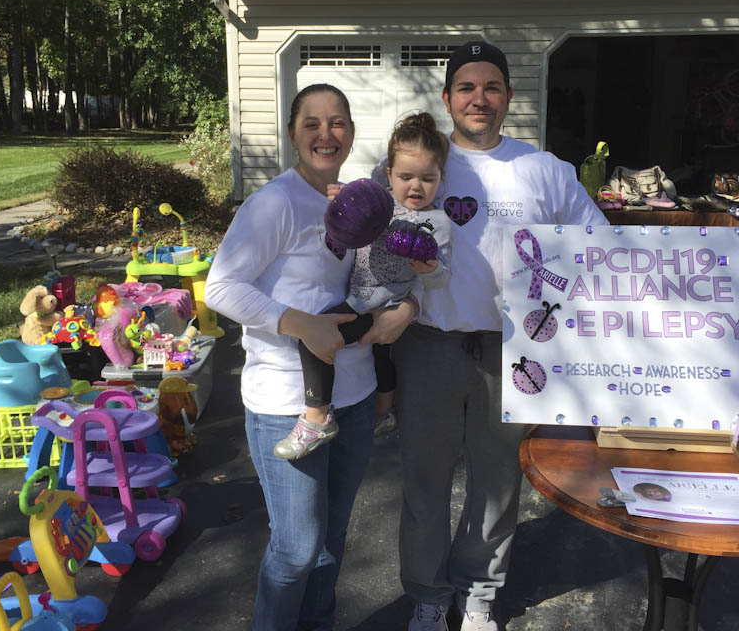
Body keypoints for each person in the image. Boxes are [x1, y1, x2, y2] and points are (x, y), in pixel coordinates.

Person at [391, 41, 608, 631]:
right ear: (447, 98)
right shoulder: (423, 165)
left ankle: (479, 592)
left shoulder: (546, 171)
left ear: (509, 97)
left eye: (491, 88)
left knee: (496, 481)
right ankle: (428, 595)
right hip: (428, 345)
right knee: (424, 479)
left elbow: (601, 247)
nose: (478, 98)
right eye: (466, 87)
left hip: (514, 350)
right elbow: (367, 229)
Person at [204, 83, 415, 630]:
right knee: (297, 549)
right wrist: (301, 326)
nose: (327, 134)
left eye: (338, 122)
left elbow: (386, 273)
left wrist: (407, 306)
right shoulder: (274, 201)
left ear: (350, 132)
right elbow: (221, 287)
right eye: (313, 123)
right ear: (293, 134)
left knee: (331, 539)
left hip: (356, 396)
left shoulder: (360, 200)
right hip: (286, 402)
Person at [275, 112, 453, 460]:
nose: (415, 186)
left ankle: (317, 417)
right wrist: (344, 202)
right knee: (377, 357)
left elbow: (442, 278)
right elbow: (351, 213)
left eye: (427, 178)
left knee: (315, 337)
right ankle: (382, 414)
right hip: (357, 294)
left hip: (383, 306)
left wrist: (429, 267)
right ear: (389, 175)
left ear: (441, 178)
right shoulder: (379, 202)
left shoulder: (439, 223)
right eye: (405, 177)